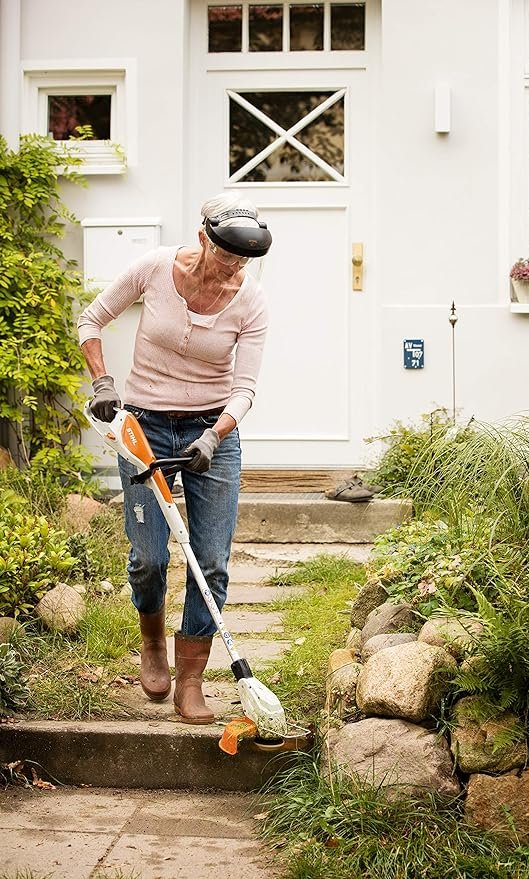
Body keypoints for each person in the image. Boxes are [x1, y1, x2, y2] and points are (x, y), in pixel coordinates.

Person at [78, 193, 272, 724]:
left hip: (212, 432)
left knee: (210, 562)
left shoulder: (250, 301)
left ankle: (191, 679)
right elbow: (91, 320)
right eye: (227, 255)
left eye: (243, 260)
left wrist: (215, 435)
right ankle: (154, 644)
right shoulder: (155, 268)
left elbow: (246, 388)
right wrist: (102, 382)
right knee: (149, 557)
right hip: (143, 429)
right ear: (204, 237)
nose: (234, 268)